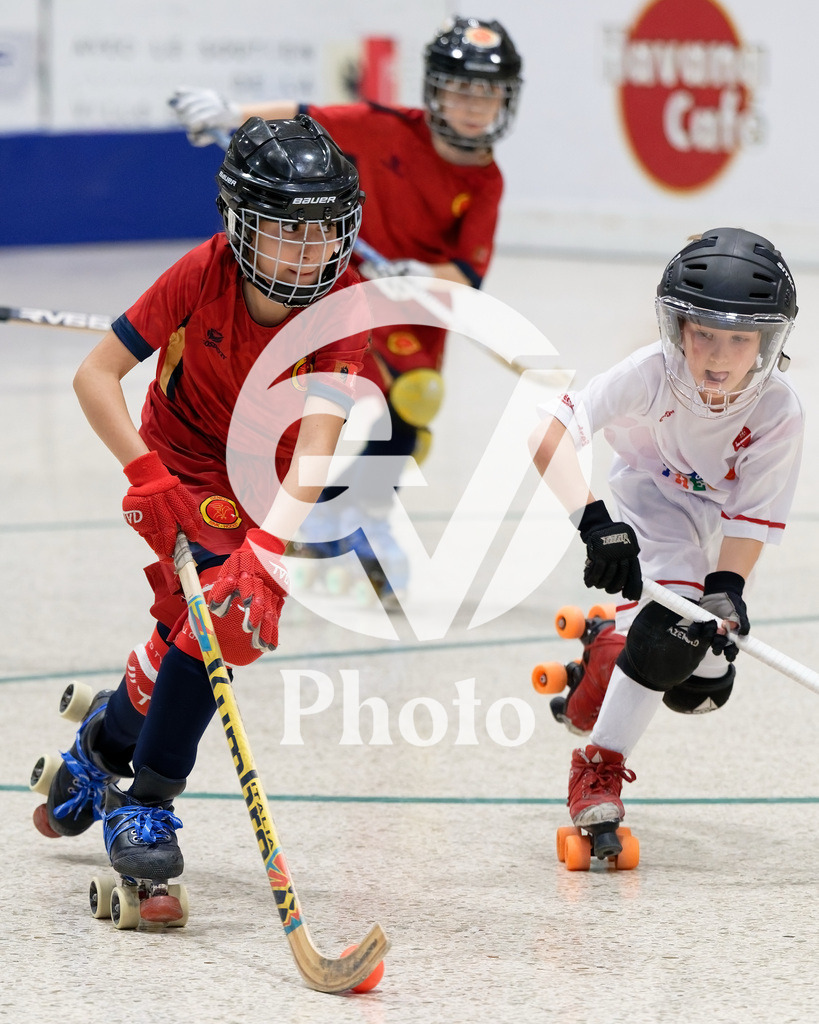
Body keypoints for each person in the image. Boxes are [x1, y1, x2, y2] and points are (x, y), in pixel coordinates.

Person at [34, 114, 370, 911]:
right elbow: (95, 376)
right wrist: (146, 475)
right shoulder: (201, 270)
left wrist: (269, 543)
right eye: (288, 231)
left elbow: (319, 441)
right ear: (242, 226)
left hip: (264, 481)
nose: (311, 251)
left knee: (209, 625)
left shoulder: (345, 303)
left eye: (325, 230)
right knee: (217, 621)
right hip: (180, 459)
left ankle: (104, 741)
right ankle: (146, 802)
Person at [169, 16, 524, 602]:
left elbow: (466, 277)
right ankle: (295, 507)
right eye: (461, 90)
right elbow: (302, 116)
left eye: (487, 94)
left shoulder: (487, 181)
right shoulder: (383, 127)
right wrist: (232, 112)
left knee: (410, 418)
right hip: (341, 286)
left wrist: (413, 272)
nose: (473, 107)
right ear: (435, 90)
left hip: (411, 307)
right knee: (339, 399)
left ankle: (342, 516)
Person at [529, 227, 802, 853]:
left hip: (720, 524)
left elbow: (750, 518)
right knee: (671, 634)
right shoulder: (648, 373)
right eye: (703, 333)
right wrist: (594, 523)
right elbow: (546, 435)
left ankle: (610, 649)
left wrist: (728, 590)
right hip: (654, 499)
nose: (718, 357)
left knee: (700, 689)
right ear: (678, 328)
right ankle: (596, 770)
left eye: (740, 339)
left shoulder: (780, 412)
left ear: (767, 342)